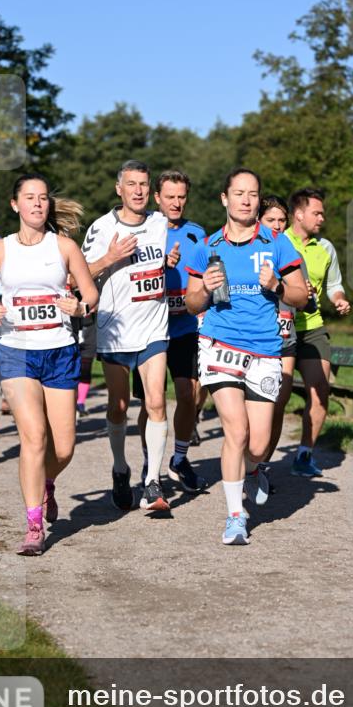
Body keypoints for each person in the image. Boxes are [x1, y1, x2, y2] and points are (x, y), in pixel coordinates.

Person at [0, 174, 97, 556]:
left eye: (43, 198)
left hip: (59, 349)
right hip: (16, 349)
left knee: (65, 447)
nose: (38, 204)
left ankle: (47, 482)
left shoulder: (65, 247)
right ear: (15, 205)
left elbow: (91, 295)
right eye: (30, 198)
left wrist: (80, 307)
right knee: (34, 437)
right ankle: (34, 524)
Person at [185, 168, 307, 546]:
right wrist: (204, 289)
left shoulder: (277, 243)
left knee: (256, 444)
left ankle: (253, 469)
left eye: (253, 194)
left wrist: (278, 285)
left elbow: (301, 296)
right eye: (238, 193)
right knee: (235, 430)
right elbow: (191, 304)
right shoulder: (206, 246)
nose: (246, 200)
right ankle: (235, 516)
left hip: (266, 350)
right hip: (219, 344)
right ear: (225, 198)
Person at [82, 159, 179, 514]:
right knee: (118, 407)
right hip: (115, 331)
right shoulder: (101, 228)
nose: (138, 191)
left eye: (143, 184)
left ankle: (152, 480)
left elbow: (170, 250)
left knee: (156, 402)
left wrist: (169, 261)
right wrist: (109, 257)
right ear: (118, 189)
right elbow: (80, 274)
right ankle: (120, 468)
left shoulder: (159, 223)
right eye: (131, 184)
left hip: (154, 327)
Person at [133, 169, 207, 492]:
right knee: (150, 403)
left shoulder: (197, 233)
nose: (176, 203)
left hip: (185, 327)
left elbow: (206, 276)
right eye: (170, 197)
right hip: (149, 328)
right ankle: (150, 462)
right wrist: (160, 265)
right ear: (157, 198)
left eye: (182, 197)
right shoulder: (144, 230)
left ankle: (178, 458)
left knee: (188, 395)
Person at [285, 188, 351, 477]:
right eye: (317, 212)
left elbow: (334, 284)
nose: (322, 218)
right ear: (299, 214)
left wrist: (338, 299)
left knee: (320, 391)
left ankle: (304, 454)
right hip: (279, 328)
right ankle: (259, 459)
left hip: (312, 328)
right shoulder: (277, 240)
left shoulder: (326, 248)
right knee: (277, 396)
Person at [257, 195, 310, 474]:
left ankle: (262, 467)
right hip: (252, 342)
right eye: (270, 220)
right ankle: (247, 461)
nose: (277, 225)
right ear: (258, 221)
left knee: (278, 403)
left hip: (285, 338)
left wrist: (304, 292)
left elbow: (302, 299)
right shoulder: (246, 250)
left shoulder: (292, 253)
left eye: (281, 220)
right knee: (254, 410)